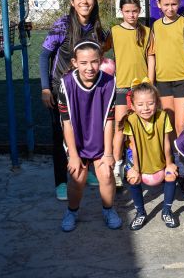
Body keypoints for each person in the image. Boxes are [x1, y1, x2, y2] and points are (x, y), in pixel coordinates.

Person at [40, 0, 106, 200]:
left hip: (85, 90)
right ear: (72, 2)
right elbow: (44, 55)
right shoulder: (63, 24)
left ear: (94, 1)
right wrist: (46, 88)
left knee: (85, 131)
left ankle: (85, 173)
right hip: (61, 89)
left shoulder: (96, 26)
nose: (84, 1)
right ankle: (61, 181)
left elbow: (103, 51)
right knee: (61, 136)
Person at [59, 40, 121, 232]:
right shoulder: (66, 83)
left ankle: (108, 209)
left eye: (94, 62)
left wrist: (109, 153)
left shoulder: (109, 82)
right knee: (77, 178)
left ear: (101, 61)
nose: (89, 67)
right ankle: (72, 211)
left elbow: (109, 120)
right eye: (84, 63)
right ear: (74, 63)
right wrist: (74, 155)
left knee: (106, 175)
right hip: (76, 139)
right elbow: (66, 122)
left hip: (99, 137)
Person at [105, 0, 154, 187]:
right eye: (127, 11)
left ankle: (136, 166)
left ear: (140, 11)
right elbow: (100, 50)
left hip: (141, 88)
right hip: (121, 87)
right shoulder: (114, 31)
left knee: (138, 129)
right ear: (121, 12)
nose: (131, 15)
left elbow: (151, 58)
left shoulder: (147, 31)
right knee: (120, 128)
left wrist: (149, 83)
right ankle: (116, 168)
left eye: (135, 11)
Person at [122, 79, 179, 230]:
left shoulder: (163, 117)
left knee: (171, 174)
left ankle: (166, 211)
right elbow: (133, 147)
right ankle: (140, 213)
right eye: (140, 105)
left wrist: (169, 164)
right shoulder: (131, 120)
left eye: (150, 103)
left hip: (158, 157)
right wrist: (135, 168)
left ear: (157, 103)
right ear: (133, 106)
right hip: (139, 158)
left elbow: (167, 143)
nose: (146, 108)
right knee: (133, 178)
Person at [149, 0, 184, 137]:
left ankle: (183, 159)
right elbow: (151, 56)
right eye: (166, 4)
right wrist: (151, 84)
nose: (170, 8)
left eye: (173, 4)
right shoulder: (156, 26)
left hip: (182, 82)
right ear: (158, 4)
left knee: (181, 124)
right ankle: (171, 159)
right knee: (168, 125)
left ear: (178, 3)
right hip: (162, 82)